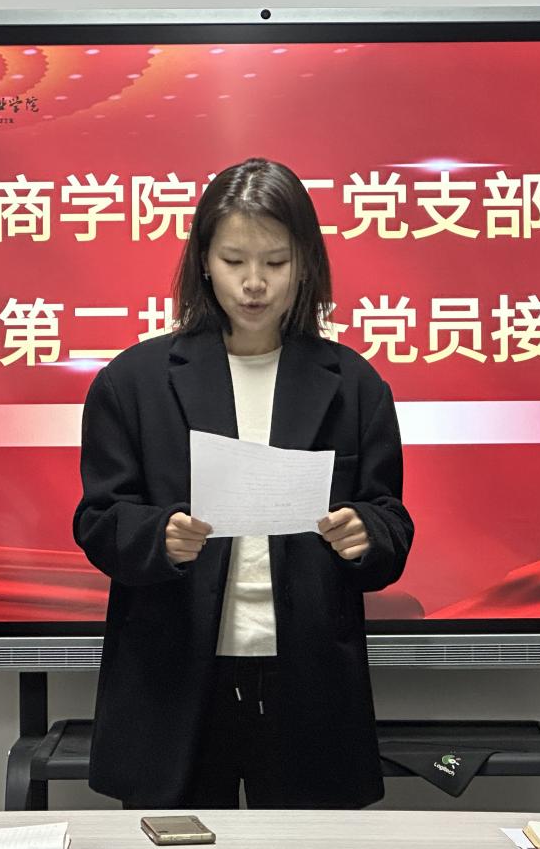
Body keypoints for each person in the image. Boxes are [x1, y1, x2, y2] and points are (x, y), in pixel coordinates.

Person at [73, 157, 414, 809]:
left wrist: (364, 532)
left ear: (305, 263)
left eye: (275, 262)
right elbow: (98, 520)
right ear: (204, 260)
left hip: (308, 679)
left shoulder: (353, 383)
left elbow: (391, 521)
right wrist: (159, 536)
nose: (254, 283)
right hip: (174, 678)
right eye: (234, 260)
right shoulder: (134, 381)